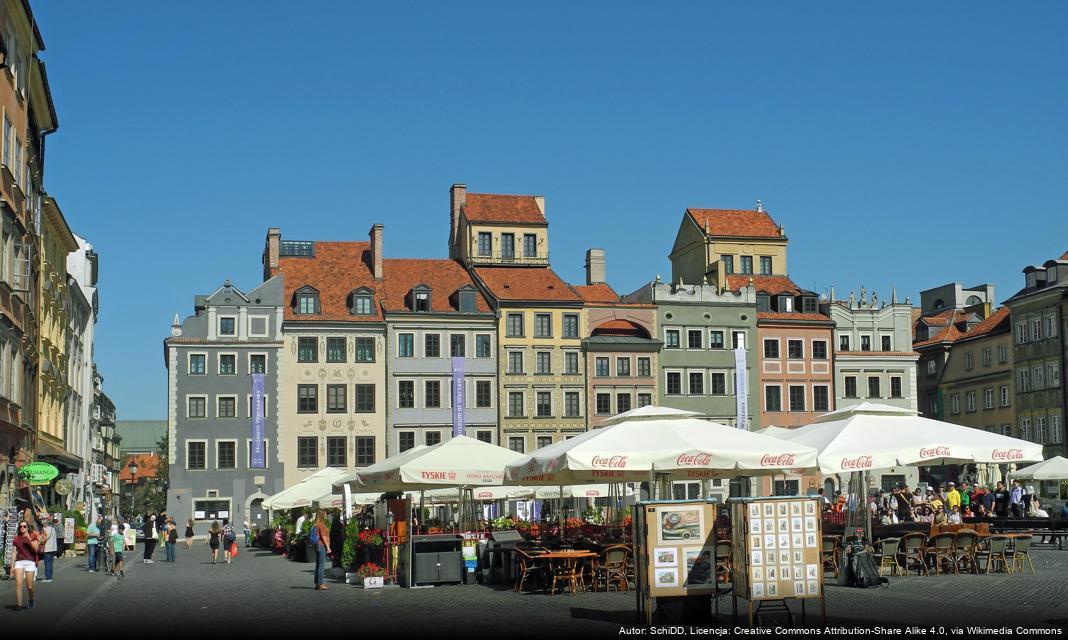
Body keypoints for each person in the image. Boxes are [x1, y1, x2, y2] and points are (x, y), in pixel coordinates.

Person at [11, 519, 40, 612]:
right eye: (20, 526)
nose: (22, 528)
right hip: (19, 562)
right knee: (18, 584)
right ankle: (19, 606)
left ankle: (31, 599)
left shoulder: (32, 536)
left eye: (24, 526)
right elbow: (14, 552)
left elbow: (36, 549)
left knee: (29, 586)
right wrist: (12, 566)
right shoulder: (16, 538)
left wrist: (29, 538)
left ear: (27, 527)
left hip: (30, 562)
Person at [312, 510, 331, 591]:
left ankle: (317, 583)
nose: (326, 515)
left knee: (318, 565)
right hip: (321, 546)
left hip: (317, 546)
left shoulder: (316, 524)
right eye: (325, 514)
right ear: (322, 515)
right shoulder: (321, 524)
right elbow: (323, 536)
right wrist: (328, 547)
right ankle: (320, 584)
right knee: (321, 566)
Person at [40, 516, 56, 583]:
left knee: (47, 563)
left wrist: (39, 541)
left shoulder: (45, 529)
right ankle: (50, 576)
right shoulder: (53, 529)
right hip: (53, 548)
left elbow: (43, 539)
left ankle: (48, 577)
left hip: (47, 548)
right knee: (50, 563)